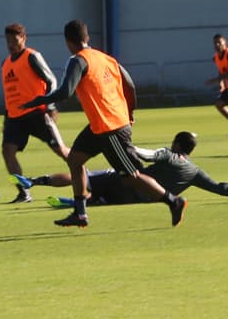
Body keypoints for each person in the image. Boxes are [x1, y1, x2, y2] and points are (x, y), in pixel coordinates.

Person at [20, 19, 186, 228]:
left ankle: (173, 201)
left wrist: (39, 100)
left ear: (68, 42)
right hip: (101, 126)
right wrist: (130, 112)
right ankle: (80, 214)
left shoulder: (78, 60)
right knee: (74, 160)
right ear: (87, 38)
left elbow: (65, 92)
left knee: (131, 176)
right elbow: (130, 85)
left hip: (110, 129)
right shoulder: (106, 58)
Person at [13, 131, 228, 208]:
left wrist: (125, 147)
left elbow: (145, 154)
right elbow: (221, 188)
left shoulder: (168, 154)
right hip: (139, 200)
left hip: (126, 185)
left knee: (85, 173)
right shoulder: (195, 171)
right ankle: (85, 202)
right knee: (103, 193)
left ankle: (35, 182)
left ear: (176, 144)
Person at [0, 23, 69, 204]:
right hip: (16, 119)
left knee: (60, 150)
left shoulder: (32, 57)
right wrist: (6, 119)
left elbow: (51, 80)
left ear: (23, 38)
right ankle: (23, 193)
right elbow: (9, 94)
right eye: (8, 41)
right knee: (7, 151)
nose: (11, 44)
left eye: (14, 40)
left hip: (37, 114)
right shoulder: (5, 64)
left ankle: (86, 179)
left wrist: (50, 106)